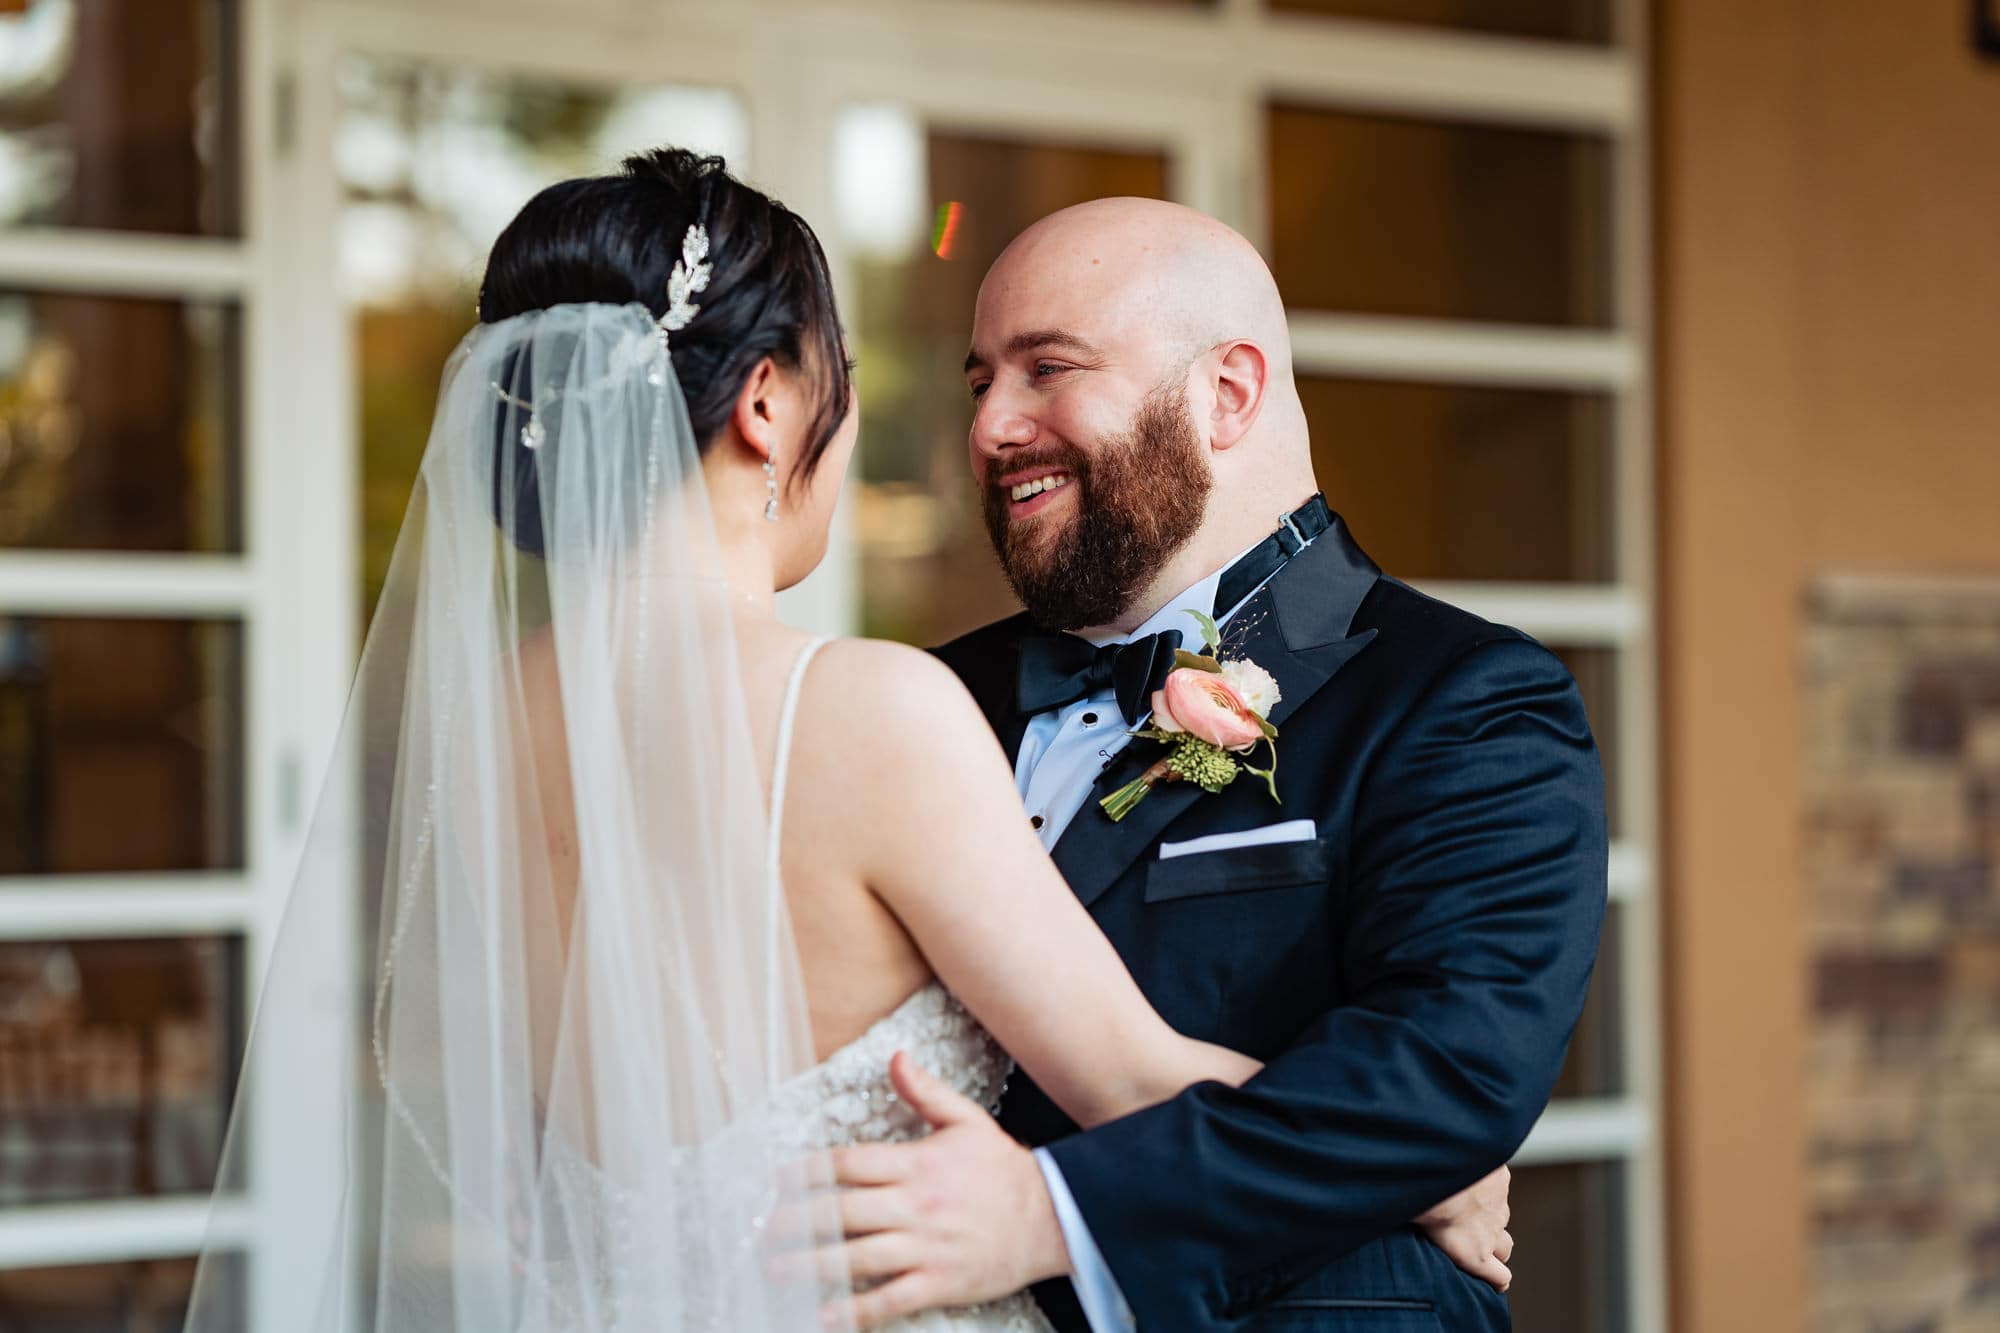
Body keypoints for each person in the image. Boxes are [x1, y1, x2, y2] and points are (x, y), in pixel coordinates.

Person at [181, 152, 1511, 1333]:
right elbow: (1131, 1077)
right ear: (767, 405)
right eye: (850, 383)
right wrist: (1437, 1169)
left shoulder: (471, 742)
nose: (981, 421)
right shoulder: (864, 710)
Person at [817, 197, 1608, 1332]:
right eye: (981, 379)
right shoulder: (918, 703)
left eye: (1047, 368)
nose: (991, 425)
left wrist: (1053, 1210)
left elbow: (1440, 1079)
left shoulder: (1464, 701)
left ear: (1225, 395)